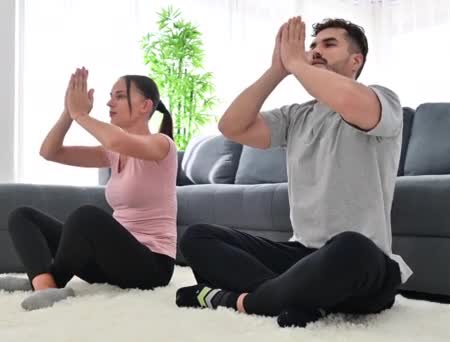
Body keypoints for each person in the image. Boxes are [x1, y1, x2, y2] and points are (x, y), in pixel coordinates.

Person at [175, 17, 413, 328]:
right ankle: (296, 297)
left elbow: (347, 100)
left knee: (350, 247)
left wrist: (299, 65)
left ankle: (238, 299)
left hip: (360, 262)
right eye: (312, 45)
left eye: (329, 45)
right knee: (197, 237)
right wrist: (278, 69)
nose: (315, 51)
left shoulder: (382, 99)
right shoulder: (296, 115)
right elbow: (231, 126)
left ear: (356, 61)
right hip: (302, 256)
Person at [0, 68, 178, 311]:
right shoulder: (114, 152)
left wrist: (80, 114)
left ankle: (47, 281)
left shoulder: (161, 145)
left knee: (86, 216)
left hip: (151, 267)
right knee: (22, 216)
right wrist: (68, 112)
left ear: (145, 106)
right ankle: (45, 285)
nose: (109, 102)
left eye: (119, 96)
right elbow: (50, 152)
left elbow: (115, 140)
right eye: (110, 95)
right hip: (113, 262)